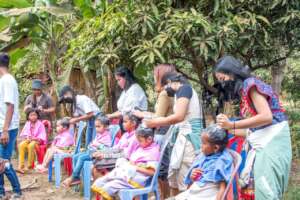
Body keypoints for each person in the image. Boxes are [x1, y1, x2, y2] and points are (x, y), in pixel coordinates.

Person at [214, 55, 292, 199]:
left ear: (232, 73)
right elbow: (253, 130)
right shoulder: (244, 92)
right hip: (263, 143)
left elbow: (266, 117)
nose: (223, 84)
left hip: (272, 143)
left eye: (223, 79)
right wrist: (227, 128)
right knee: (257, 189)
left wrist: (232, 124)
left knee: (266, 189)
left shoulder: (250, 84)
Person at [144, 72, 204, 196]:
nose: (165, 91)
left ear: (170, 82)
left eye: (165, 87)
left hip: (189, 139)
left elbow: (179, 116)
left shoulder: (184, 89)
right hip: (182, 137)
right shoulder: (180, 92)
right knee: (174, 178)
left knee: (185, 178)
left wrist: (156, 122)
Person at [133, 63, 176, 198]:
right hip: (168, 132)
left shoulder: (164, 94)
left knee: (162, 169)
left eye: (154, 75)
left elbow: (159, 118)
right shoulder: (171, 92)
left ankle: (163, 196)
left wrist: (142, 114)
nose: (153, 78)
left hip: (163, 133)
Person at [91, 126, 160, 200]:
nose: (138, 143)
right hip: (129, 174)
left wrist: (135, 167)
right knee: (103, 182)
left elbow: (152, 172)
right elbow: (121, 152)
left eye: (140, 141)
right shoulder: (139, 145)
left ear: (149, 139)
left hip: (136, 178)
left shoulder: (153, 152)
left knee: (108, 187)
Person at [170, 125, 233, 200]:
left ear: (215, 148)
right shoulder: (204, 158)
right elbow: (194, 182)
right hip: (195, 192)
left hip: (206, 195)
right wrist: (193, 176)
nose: (200, 145)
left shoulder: (221, 163)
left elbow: (222, 188)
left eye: (203, 143)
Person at [62, 116, 112, 187]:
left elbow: (106, 148)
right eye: (96, 127)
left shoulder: (107, 136)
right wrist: (92, 145)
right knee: (76, 156)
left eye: (99, 126)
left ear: (106, 127)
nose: (96, 129)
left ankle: (73, 177)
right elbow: (93, 144)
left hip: (96, 154)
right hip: (90, 152)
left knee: (81, 158)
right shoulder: (99, 134)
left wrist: (96, 145)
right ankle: (77, 177)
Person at [91, 112, 141, 179]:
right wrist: (102, 152)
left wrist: (105, 155)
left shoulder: (135, 137)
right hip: (117, 156)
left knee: (97, 164)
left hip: (125, 160)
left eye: (125, 122)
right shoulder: (125, 135)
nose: (123, 124)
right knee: (95, 160)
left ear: (133, 123)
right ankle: (104, 181)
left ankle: (105, 183)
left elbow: (126, 155)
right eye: (123, 122)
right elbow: (116, 148)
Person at [0, 53, 22, 199]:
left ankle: (17, 191)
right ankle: (1, 192)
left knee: (3, 162)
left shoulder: (7, 80)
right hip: (4, 127)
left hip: (7, 128)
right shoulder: (5, 80)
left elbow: (10, 106)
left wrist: (5, 130)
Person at [17, 108, 47, 174]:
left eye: (35, 115)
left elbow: (42, 135)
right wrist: (27, 137)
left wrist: (34, 138)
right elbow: (24, 133)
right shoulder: (27, 123)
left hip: (37, 141)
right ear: (28, 116)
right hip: (29, 139)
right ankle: (21, 166)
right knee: (21, 145)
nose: (33, 116)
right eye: (31, 115)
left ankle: (29, 166)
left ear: (37, 116)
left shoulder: (40, 124)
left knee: (31, 145)